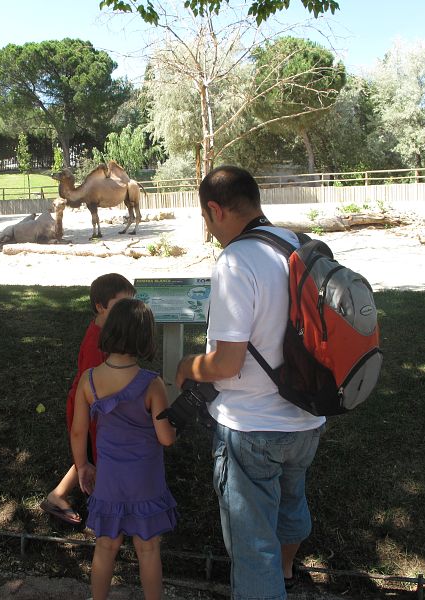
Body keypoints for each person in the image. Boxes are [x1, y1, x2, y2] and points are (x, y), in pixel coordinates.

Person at [175, 165, 326, 599]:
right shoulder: (297, 245)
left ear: (215, 209)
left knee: (252, 547)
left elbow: (226, 363)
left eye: (206, 218)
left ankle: (269, 583)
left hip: (252, 429)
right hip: (306, 420)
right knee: (292, 506)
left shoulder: (236, 260)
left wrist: (187, 367)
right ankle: (287, 573)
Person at [71, 298, 178, 600]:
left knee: (105, 546)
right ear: (144, 337)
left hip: (110, 478)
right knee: (148, 548)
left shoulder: (88, 380)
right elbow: (166, 438)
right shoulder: (152, 384)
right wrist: (177, 426)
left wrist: (82, 466)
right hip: (145, 479)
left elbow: (79, 431)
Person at [40, 273, 136, 525]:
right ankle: (105, 513)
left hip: (96, 408)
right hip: (90, 409)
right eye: (121, 304)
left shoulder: (107, 330)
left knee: (90, 457)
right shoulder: (96, 342)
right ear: (100, 307)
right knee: (97, 455)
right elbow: (94, 387)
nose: (127, 310)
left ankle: (57, 495)